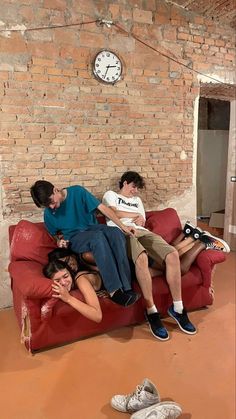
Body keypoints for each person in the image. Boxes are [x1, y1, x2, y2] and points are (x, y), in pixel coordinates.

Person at [102, 172, 230, 341]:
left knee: (172, 254)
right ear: (125, 183)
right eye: (134, 187)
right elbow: (112, 213)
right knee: (141, 259)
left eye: (138, 188)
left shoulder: (138, 202)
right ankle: (151, 311)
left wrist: (138, 220)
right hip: (121, 233)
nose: (136, 191)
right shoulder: (110, 195)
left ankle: (178, 308)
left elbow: (142, 222)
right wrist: (133, 216)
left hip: (142, 232)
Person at [30, 180, 140, 308]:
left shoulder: (77, 191)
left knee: (115, 232)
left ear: (55, 190)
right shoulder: (48, 214)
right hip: (74, 238)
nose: (51, 207)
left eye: (51, 202)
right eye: (47, 206)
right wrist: (59, 240)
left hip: (92, 228)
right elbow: (55, 234)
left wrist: (123, 227)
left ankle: (127, 288)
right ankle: (114, 291)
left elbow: (103, 208)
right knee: (97, 238)